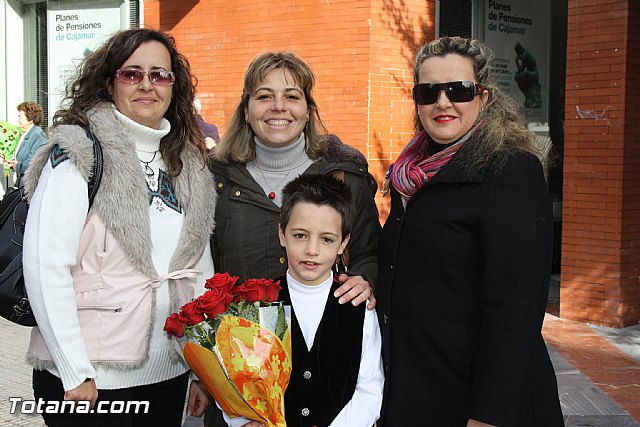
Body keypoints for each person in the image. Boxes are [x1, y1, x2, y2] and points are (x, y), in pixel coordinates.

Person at [22, 28, 215, 426]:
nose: (147, 84)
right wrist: (75, 371)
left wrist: (202, 368)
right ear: (110, 82)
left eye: (160, 75)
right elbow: (45, 265)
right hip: (89, 380)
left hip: (169, 372)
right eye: (132, 73)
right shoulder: (78, 152)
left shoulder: (188, 163)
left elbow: (200, 274)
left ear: (174, 87)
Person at [376, 36, 564, 426]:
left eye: (458, 89)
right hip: (420, 391)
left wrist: (488, 416)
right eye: (428, 91)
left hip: (478, 404)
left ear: (484, 96)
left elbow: (516, 313)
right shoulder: (409, 176)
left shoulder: (510, 171)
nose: (443, 102)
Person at [207, 50, 380, 427]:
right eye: (264, 96)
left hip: (326, 367)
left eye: (292, 95)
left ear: (307, 108)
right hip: (243, 372)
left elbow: (370, 252)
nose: (278, 107)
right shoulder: (216, 181)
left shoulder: (344, 177)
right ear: (247, 107)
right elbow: (203, 269)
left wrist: (363, 282)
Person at [222, 173, 384, 427]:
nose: (312, 250)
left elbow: (370, 388)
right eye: (300, 235)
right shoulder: (256, 303)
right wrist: (242, 420)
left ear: (343, 243)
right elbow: (235, 378)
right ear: (282, 234)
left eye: (327, 239)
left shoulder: (358, 307)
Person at [0, 101, 47, 187]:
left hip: (30, 185)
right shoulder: (24, 134)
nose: (17, 120)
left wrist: (16, 166)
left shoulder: (38, 137)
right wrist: (11, 163)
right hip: (22, 182)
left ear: (31, 119)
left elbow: (33, 163)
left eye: (20, 117)